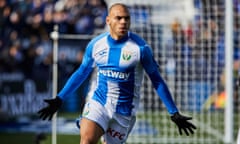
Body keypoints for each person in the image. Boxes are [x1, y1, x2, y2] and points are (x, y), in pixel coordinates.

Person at [38, 3, 196, 144]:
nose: (123, 22)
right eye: (118, 18)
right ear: (108, 21)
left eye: (126, 19)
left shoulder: (140, 49)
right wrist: (60, 98)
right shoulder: (96, 44)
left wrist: (174, 112)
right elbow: (81, 73)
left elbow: (157, 81)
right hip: (98, 103)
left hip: (124, 111)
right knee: (86, 140)